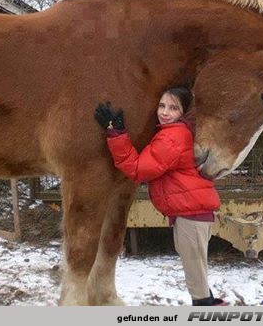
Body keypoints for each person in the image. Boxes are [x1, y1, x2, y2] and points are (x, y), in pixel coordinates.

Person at [94, 87, 224, 306]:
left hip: (191, 214)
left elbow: (138, 169)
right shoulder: (176, 132)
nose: (165, 112)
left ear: (183, 112)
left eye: (173, 108)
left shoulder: (173, 137)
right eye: (162, 106)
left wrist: (115, 133)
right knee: (197, 274)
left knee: (197, 279)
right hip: (191, 212)